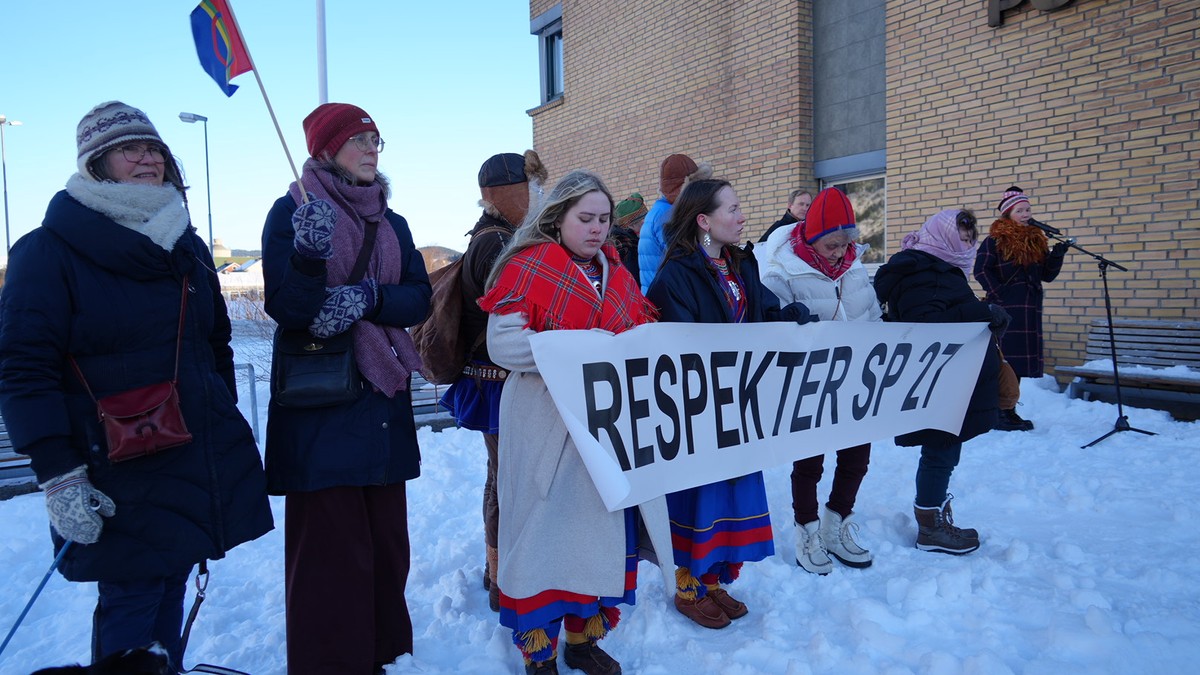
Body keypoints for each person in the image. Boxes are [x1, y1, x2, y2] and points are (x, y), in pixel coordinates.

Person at [0, 101, 273, 671]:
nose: (147, 157)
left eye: (154, 148)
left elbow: (214, 344)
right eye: (129, 149)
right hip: (112, 462)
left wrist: (220, 416)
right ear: (97, 164)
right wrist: (57, 473)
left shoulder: (186, 244)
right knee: (132, 597)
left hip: (188, 448)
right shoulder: (47, 251)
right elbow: (24, 368)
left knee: (170, 581)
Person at [261, 102, 431, 674]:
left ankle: (383, 654)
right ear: (325, 149)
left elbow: (418, 296)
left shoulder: (393, 222)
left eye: (376, 139)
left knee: (386, 546)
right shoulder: (290, 213)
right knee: (331, 555)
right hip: (323, 404)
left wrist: (368, 298)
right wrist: (310, 258)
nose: (371, 148)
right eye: (359, 139)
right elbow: (288, 307)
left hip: (382, 399)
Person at [479, 170, 657, 675]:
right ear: (557, 219)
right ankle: (539, 652)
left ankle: (583, 640)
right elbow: (505, 345)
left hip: (602, 429)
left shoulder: (619, 275)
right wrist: (585, 352)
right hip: (543, 424)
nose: (598, 228)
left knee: (593, 536)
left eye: (604, 218)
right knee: (541, 537)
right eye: (586, 218)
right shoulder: (526, 268)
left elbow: (636, 339)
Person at [646, 178, 817, 629]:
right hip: (700, 411)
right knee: (698, 493)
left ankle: (713, 577)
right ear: (704, 220)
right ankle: (686, 582)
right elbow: (680, 344)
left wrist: (788, 317)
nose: (743, 216)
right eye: (734, 209)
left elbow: (760, 312)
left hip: (740, 406)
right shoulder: (676, 275)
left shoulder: (743, 264)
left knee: (732, 492)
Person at [439, 150, 547, 612]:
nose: (537, 194)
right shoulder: (494, 242)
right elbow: (512, 309)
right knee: (509, 480)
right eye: (530, 187)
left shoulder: (501, 235)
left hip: (502, 379)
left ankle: (500, 570)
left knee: (505, 476)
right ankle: (504, 578)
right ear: (501, 194)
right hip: (497, 381)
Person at [758, 187, 879, 574]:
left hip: (853, 381)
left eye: (846, 244)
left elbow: (872, 319)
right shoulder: (781, 270)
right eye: (832, 244)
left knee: (857, 458)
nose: (840, 253)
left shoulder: (854, 268)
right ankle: (806, 532)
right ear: (811, 236)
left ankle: (835, 525)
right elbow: (771, 332)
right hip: (808, 386)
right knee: (809, 462)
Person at [873, 208, 1007, 555]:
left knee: (945, 449)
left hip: (949, 379)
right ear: (943, 235)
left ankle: (933, 516)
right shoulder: (920, 270)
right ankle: (930, 526)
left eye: (969, 238)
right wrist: (982, 312)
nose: (967, 244)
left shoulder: (938, 267)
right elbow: (926, 323)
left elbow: (944, 310)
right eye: (961, 238)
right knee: (940, 449)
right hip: (937, 382)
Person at [973, 186, 1070, 431]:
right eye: (1020, 210)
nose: (1026, 213)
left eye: (1028, 209)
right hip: (1007, 308)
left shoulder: (1037, 241)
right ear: (1008, 213)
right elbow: (981, 270)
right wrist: (1000, 296)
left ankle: (1008, 410)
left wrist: (1057, 256)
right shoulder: (995, 240)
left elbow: (1047, 275)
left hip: (1029, 308)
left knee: (1018, 365)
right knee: (1007, 362)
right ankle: (1000, 411)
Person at [637, 153, 712, 292]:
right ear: (685, 188)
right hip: (666, 300)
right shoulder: (668, 215)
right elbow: (687, 258)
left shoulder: (659, 210)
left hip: (658, 296)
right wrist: (709, 237)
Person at [609, 192, 648, 280]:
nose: (646, 222)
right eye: (643, 219)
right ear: (629, 225)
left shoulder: (631, 241)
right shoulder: (626, 248)